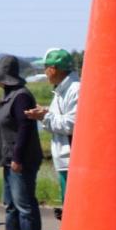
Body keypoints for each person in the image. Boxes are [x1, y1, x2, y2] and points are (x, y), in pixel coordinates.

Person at [0, 55, 41, 230]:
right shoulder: (9, 96)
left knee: (24, 206)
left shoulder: (21, 97)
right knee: (10, 205)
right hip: (9, 159)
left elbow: (25, 128)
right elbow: (1, 124)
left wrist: (18, 159)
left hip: (19, 160)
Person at [25, 48, 78, 220]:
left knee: (74, 210)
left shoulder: (75, 89)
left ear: (54, 69)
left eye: (45, 67)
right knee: (70, 208)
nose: (44, 72)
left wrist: (44, 116)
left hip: (72, 161)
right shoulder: (63, 89)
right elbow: (64, 117)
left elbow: (73, 124)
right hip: (66, 160)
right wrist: (46, 112)